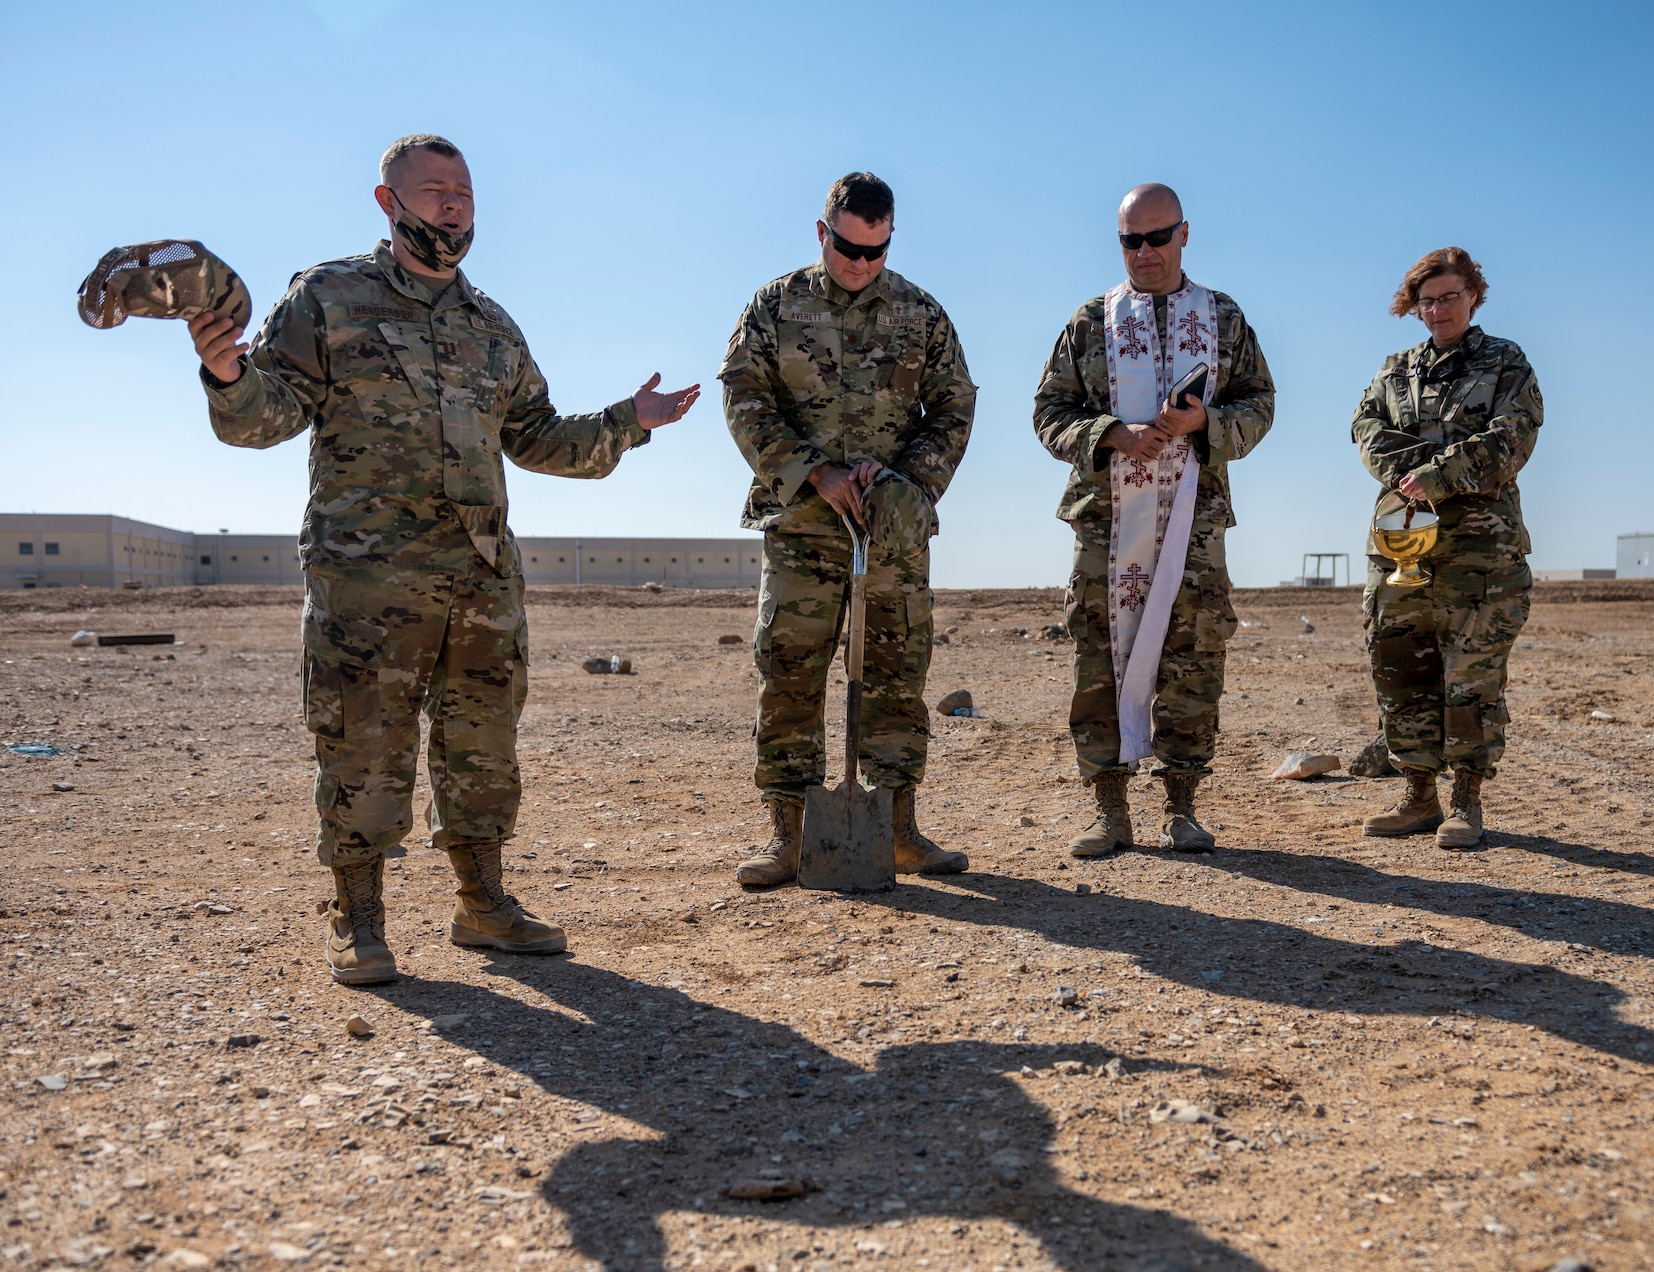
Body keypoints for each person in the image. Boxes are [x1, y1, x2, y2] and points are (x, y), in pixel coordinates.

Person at [188, 134, 700, 984]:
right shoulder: (328, 298)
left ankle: (483, 903)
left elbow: (537, 436)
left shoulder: (492, 325)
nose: (454, 203)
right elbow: (264, 417)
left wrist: (628, 420)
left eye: (463, 190)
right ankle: (356, 916)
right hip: (368, 576)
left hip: (480, 578)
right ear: (388, 203)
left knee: (482, 746)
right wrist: (225, 375)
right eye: (433, 189)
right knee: (363, 743)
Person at [720, 172, 977, 887]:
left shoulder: (920, 313)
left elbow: (954, 407)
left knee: (898, 675)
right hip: (803, 525)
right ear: (821, 231)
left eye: (876, 251)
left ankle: (897, 830)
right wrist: (812, 473)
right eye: (846, 247)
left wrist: (907, 485)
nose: (860, 264)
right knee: (790, 674)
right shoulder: (775, 308)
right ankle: (789, 836)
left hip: (890, 532)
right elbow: (744, 398)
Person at [1033, 183, 1275, 856]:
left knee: (1193, 659)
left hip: (1193, 520)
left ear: (1185, 234)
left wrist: (1208, 423)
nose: (1144, 252)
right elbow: (1048, 413)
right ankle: (1109, 809)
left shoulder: (1221, 317)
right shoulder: (1092, 321)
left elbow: (1260, 402)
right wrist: (1111, 433)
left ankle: (1182, 806)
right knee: (1097, 658)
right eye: (1129, 241)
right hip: (1106, 523)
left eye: (1157, 237)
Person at [1350, 247, 1542, 848]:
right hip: (1402, 547)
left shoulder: (1505, 362)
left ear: (1473, 296)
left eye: (1450, 296)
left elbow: (1510, 439)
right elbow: (1366, 430)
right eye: (1427, 300)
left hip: (1480, 554)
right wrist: (1413, 474)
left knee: (1471, 678)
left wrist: (1437, 475)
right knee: (1400, 670)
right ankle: (1417, 794)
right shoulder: (1395, 369)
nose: (1438, 309)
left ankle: (1467, 799)